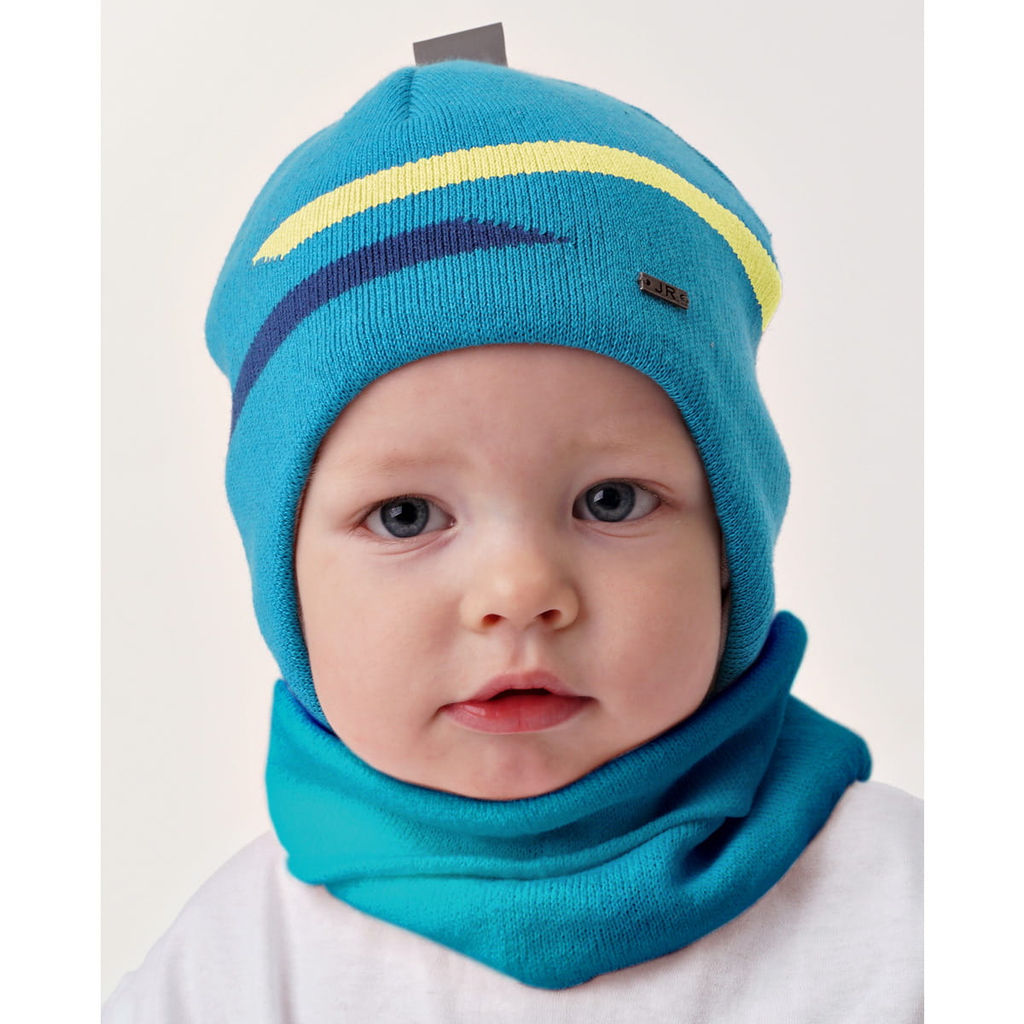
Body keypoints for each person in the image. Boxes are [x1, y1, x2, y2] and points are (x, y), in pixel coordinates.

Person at [103, 58, 922, 1021]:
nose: (521, 589)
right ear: (284, 582)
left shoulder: (916, 915)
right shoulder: (229, 974)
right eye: (407, 516)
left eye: (611, 500)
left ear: (732, 551)